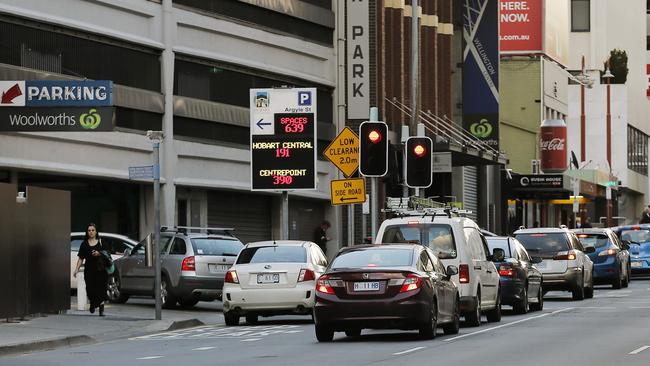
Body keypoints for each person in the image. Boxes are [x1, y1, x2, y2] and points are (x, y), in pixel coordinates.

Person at [73, 223, 108, 316]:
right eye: (89, 230)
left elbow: (107, 253)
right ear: (87, 232)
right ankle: (93, 302)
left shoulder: (101, 242)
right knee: (90, 289)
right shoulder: (84, 244)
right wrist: (76, 269)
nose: (91, 232)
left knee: (101, 289)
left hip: (101, 269)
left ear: (96, 231)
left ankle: (101, 309)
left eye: (93, 230)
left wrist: (99, 253)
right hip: (89, 270)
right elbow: (81, 258)